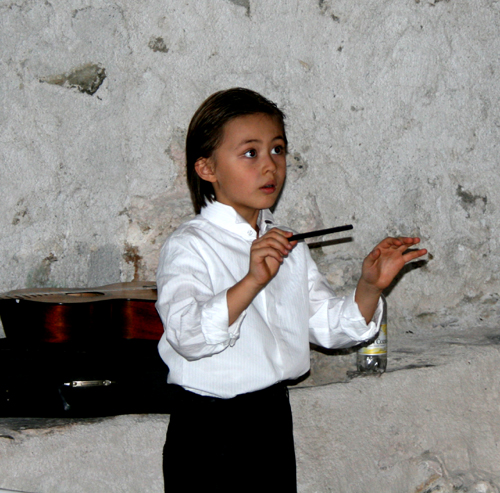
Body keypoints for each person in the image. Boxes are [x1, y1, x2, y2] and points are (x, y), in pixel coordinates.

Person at [155, 88, 427, 492]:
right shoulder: (190, 246)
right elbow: (187, 335)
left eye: (277, 150)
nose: (270, 166)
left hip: (270, 419)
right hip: (209, 428)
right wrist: (251, 281)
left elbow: (325, 326)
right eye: (250, 153)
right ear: (206, 167)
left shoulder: (285, 245)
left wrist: (370, 286)